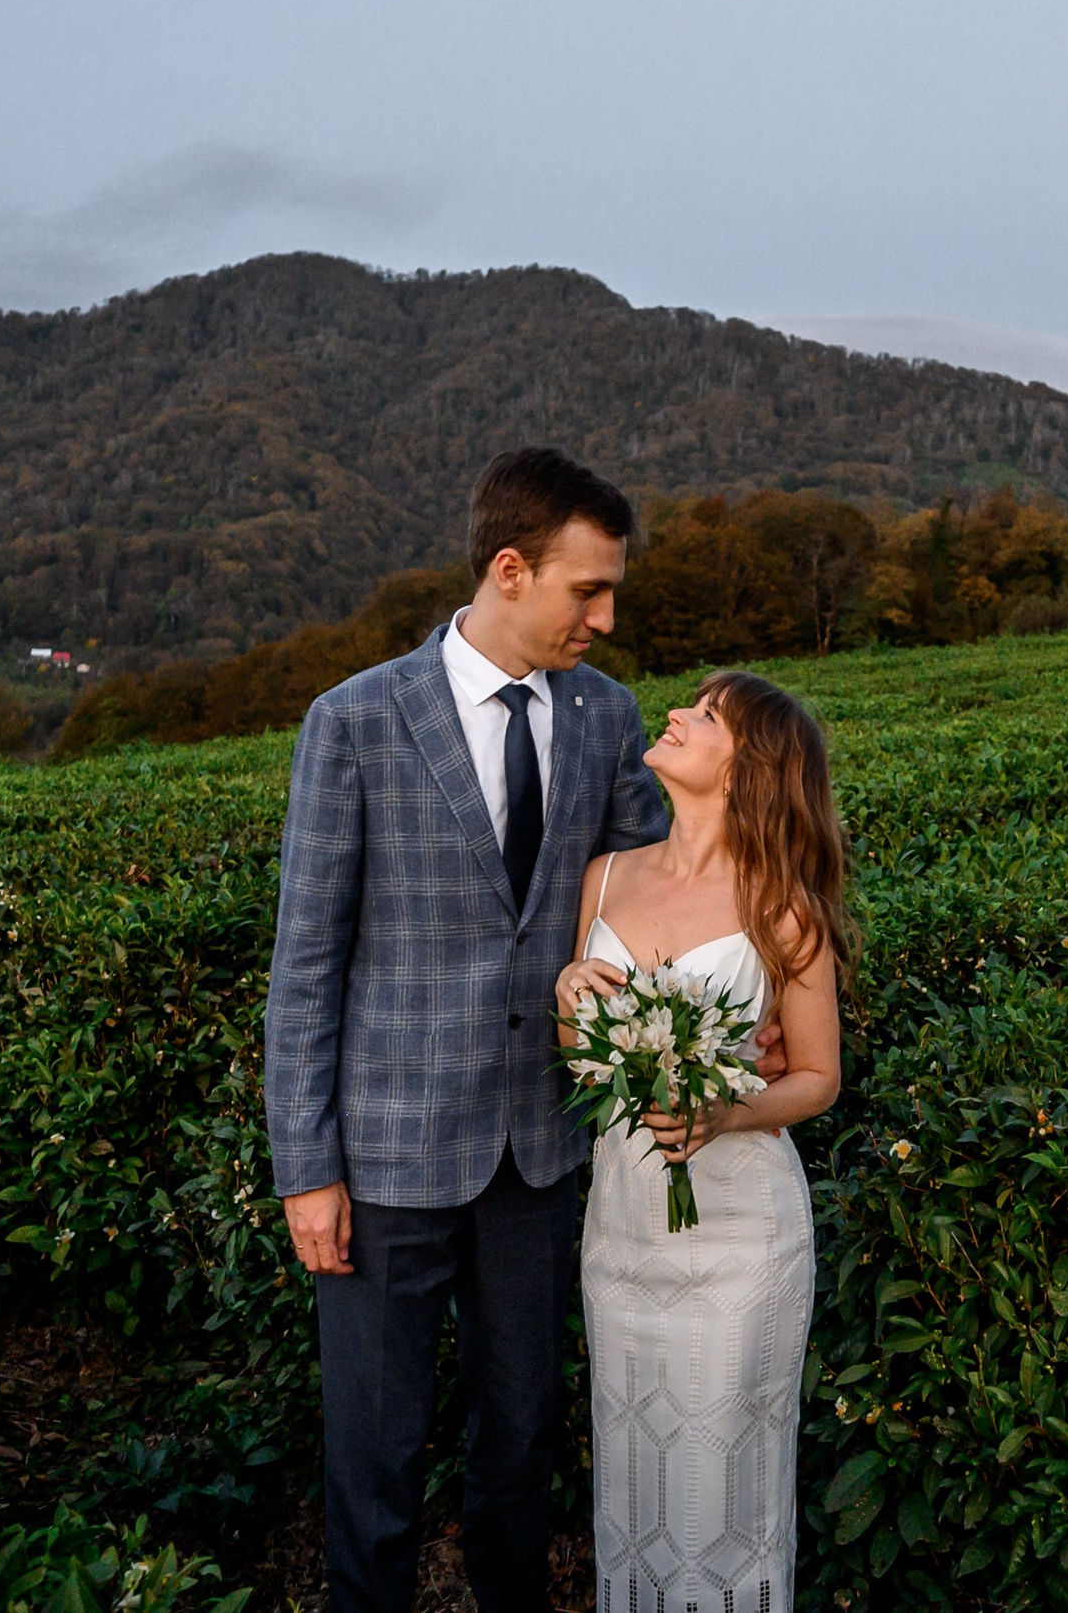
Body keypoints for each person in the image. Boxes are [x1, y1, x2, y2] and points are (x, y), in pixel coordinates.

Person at [267, 448, 777, 1613]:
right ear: (510, 569)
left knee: (520, 1450)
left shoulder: (606, 719)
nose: (605, 619)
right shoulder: (351, 721)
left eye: (610, 594)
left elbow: (662, 885)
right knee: (374, 1457)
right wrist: (307, 1168)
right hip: (387, 1152)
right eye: (585, 592)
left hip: (544, 1153)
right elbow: (305, 965)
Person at [556, 670, 852, 1613]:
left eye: (708, 713)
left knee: (723, 1479)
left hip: (739, 1237)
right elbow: (578, 1059)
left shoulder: (782, 904)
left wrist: (725, 1111)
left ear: (745, 770)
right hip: (623, 1228)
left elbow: (816, 1075)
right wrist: (570, 992)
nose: (677, 713)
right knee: (635, 1466)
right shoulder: (604, 874)